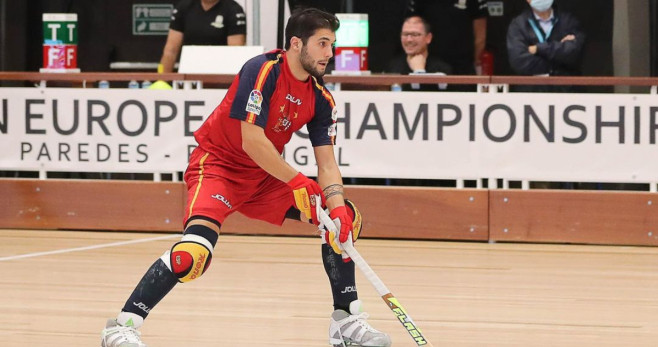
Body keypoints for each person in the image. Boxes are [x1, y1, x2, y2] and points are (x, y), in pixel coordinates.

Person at [100, 8, 391, 347]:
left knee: (344, 222)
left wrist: (337, 205)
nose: (330, 53)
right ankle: (121, 326)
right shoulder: (262, 70)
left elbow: (326, 164)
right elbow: (251, 140)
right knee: (192, 256)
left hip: (264, 178)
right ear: (296, 44)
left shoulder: (321, 97)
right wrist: (297, 181)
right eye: (322, 43)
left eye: (332, 44)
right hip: (219, 168)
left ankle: (346, 321)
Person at [506, 0, 585, 92]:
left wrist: (539, 49)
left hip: (567, 93)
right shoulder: (518, 25)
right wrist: (558, 56)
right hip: (531, 95)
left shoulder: (568, 21)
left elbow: (574, 54)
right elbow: (519, 61)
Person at [158, 0, 247, 73]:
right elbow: (171, 50)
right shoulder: (184, 7)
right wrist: (161, 80)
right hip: (189, 74)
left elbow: (235, 53)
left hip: (221, 74)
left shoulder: (233, 9)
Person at [406, 0, 488, 76]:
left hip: (462, 67)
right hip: (428, 65)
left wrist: (473, 61)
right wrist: (418, 63)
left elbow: (480, 38)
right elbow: (410, 31)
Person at [386, 15, 452, 91]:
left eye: (415, 35)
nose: (409, 40)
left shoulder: (442, 69)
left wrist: (419, 71)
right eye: (405, 34)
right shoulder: (392, 66)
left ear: (428, 38)